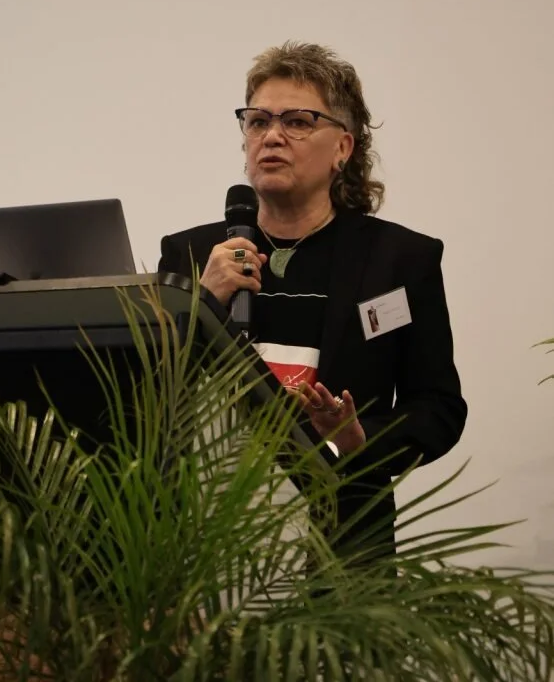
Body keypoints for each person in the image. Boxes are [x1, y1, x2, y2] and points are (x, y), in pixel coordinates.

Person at [158, 41, 467, 562]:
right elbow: (146, 395)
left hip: (341, 545)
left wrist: (358, 439)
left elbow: (438, 408)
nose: (271, 136)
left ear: (343, 147)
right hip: (203, 546)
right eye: (258, 121)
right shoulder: (189, 255)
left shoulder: (400, 261)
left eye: (298, 121)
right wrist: (202, 303)